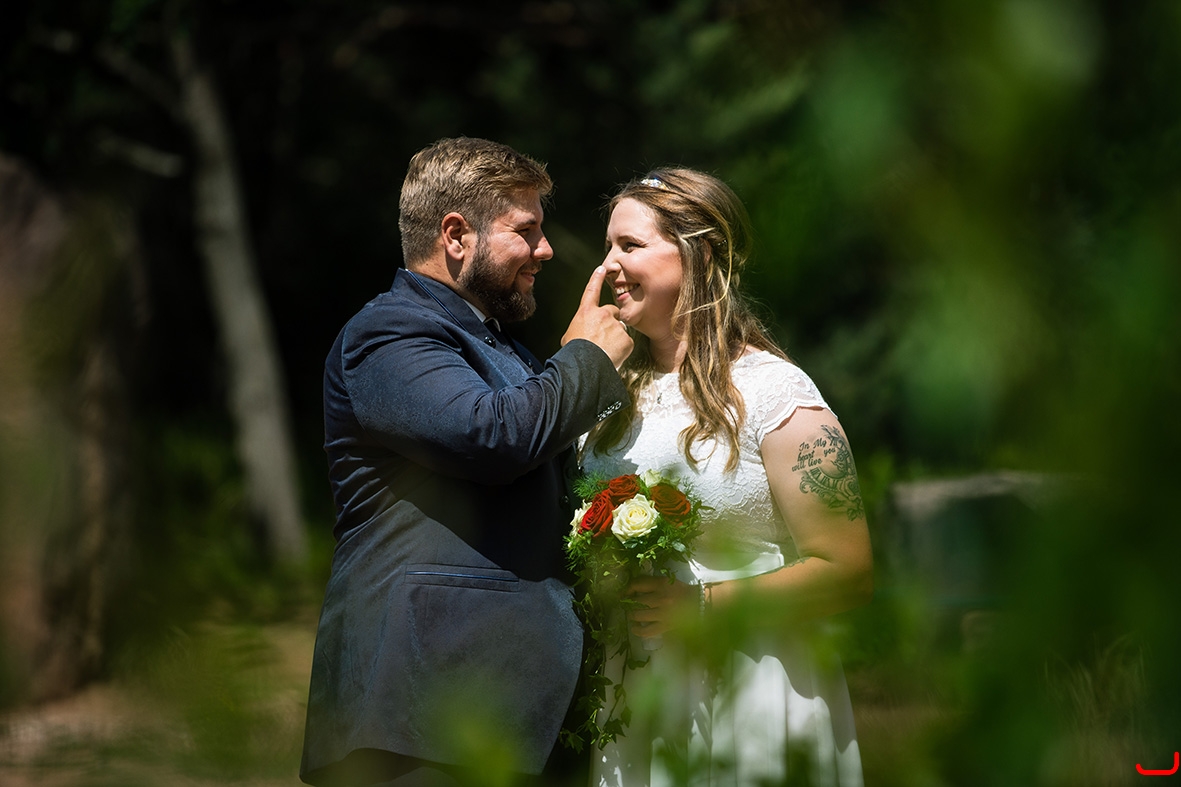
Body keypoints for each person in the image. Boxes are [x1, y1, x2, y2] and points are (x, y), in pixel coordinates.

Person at [300, 137, 634, 787]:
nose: (545, 249)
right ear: (456, 235)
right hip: (425, 712)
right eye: (525, 230)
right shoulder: (387, 333)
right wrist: (587, 357)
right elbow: (493, 437)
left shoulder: (504, 349)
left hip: (512, 716)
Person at [580, 168, 873, 787]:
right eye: (608, 247)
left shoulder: (775, 393)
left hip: (754, 683)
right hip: (635, 695)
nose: (608, 266)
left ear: (699, 253)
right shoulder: (605, 397)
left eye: (630, 245)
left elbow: (848, 569)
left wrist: (702, 605)